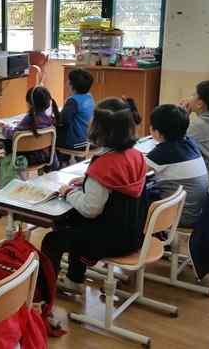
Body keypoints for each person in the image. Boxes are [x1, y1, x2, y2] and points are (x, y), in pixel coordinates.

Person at [41, 98, 148, 294]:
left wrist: (68, 192)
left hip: (108, 240)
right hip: (134, 233)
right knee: (72, 222)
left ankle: (45, 294)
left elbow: (91, 209)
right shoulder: (136, 155)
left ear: (98, 128)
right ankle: (74, 278)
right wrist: (87, 182)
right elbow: (118, 187)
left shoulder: (104, 164)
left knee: (52, 239)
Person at [146, 104, 209, 228]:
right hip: (196, 211)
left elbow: (134, 171)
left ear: (157, 133)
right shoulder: (190, 143)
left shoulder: (163, 152)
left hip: (180, 216)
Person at [3, 86, 60, 169]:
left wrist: (5, 128)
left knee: (7, 143)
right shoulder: (50, 119)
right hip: (44, 157)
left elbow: (13, 135)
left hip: (26, 159)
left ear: (29, 103)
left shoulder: (29, 119)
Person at [56, 69, 95, 157]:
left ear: (71, 84)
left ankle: (59, 164)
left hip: (77, 143)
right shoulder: (89, 97)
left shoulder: (73, 101)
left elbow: (63, 121)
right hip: (89, 140)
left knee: (49, 138)